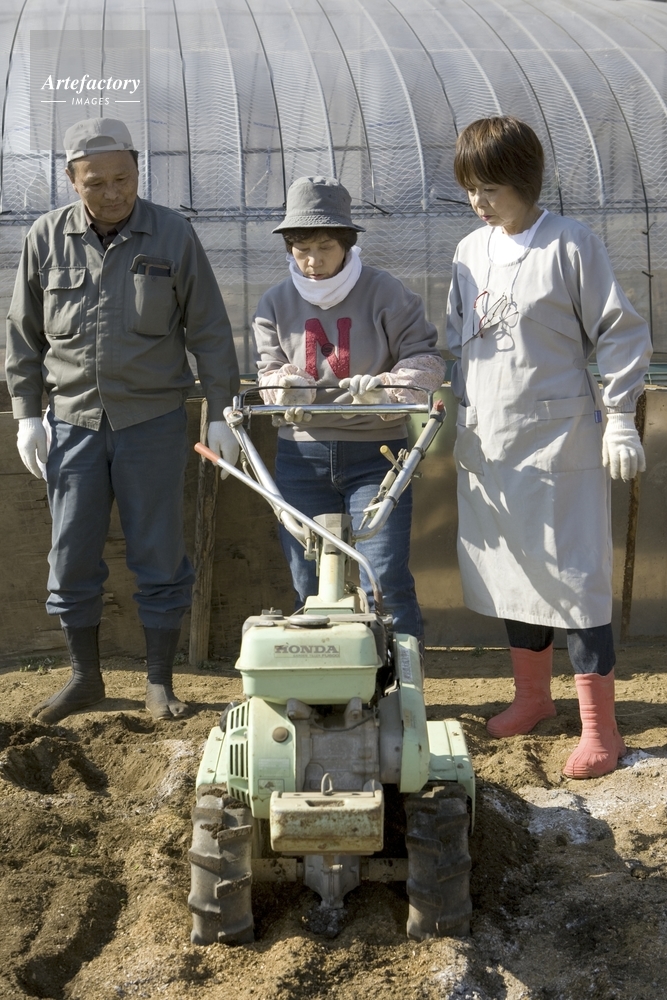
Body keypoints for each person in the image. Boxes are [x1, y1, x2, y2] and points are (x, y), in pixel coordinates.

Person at [5, 118, 240, 723]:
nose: (112, 193)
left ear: (138, 170)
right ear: (71, 180)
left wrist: (222, 411)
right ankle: (85, 679)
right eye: (96, 183)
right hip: (73, 423)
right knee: (70, 558)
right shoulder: (46, 238)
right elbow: (23, 336)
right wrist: (27, 414)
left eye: (123, 179)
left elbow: (210, 330)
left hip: (152, 422)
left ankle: (160, 681)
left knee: (159, 554)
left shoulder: (172, 234)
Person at [446, 116, 652, 778]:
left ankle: (600, 728)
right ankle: (532, 698)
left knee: (575, 578)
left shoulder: (570, 243)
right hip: (491, 441)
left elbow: (619, 332)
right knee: (515, 574)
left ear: (524, 182)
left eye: (490, 189)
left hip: (558, 441)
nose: (479, 202)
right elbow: (459, 341)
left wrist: (619, 417)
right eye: (470, 189)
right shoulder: (468, 252)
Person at [253, 175, 444, 643]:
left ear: (347, 243)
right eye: (302, 249)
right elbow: (268, 372)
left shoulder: (385, 293)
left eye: (325, 247)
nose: (313, 261)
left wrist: (386, 390)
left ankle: (401, 678)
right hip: (301, 457)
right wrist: (286, 389)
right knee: (309, 581)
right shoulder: (275, 303)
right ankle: (320, 677)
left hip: (376, 455)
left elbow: (426, 359)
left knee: (384, 578)